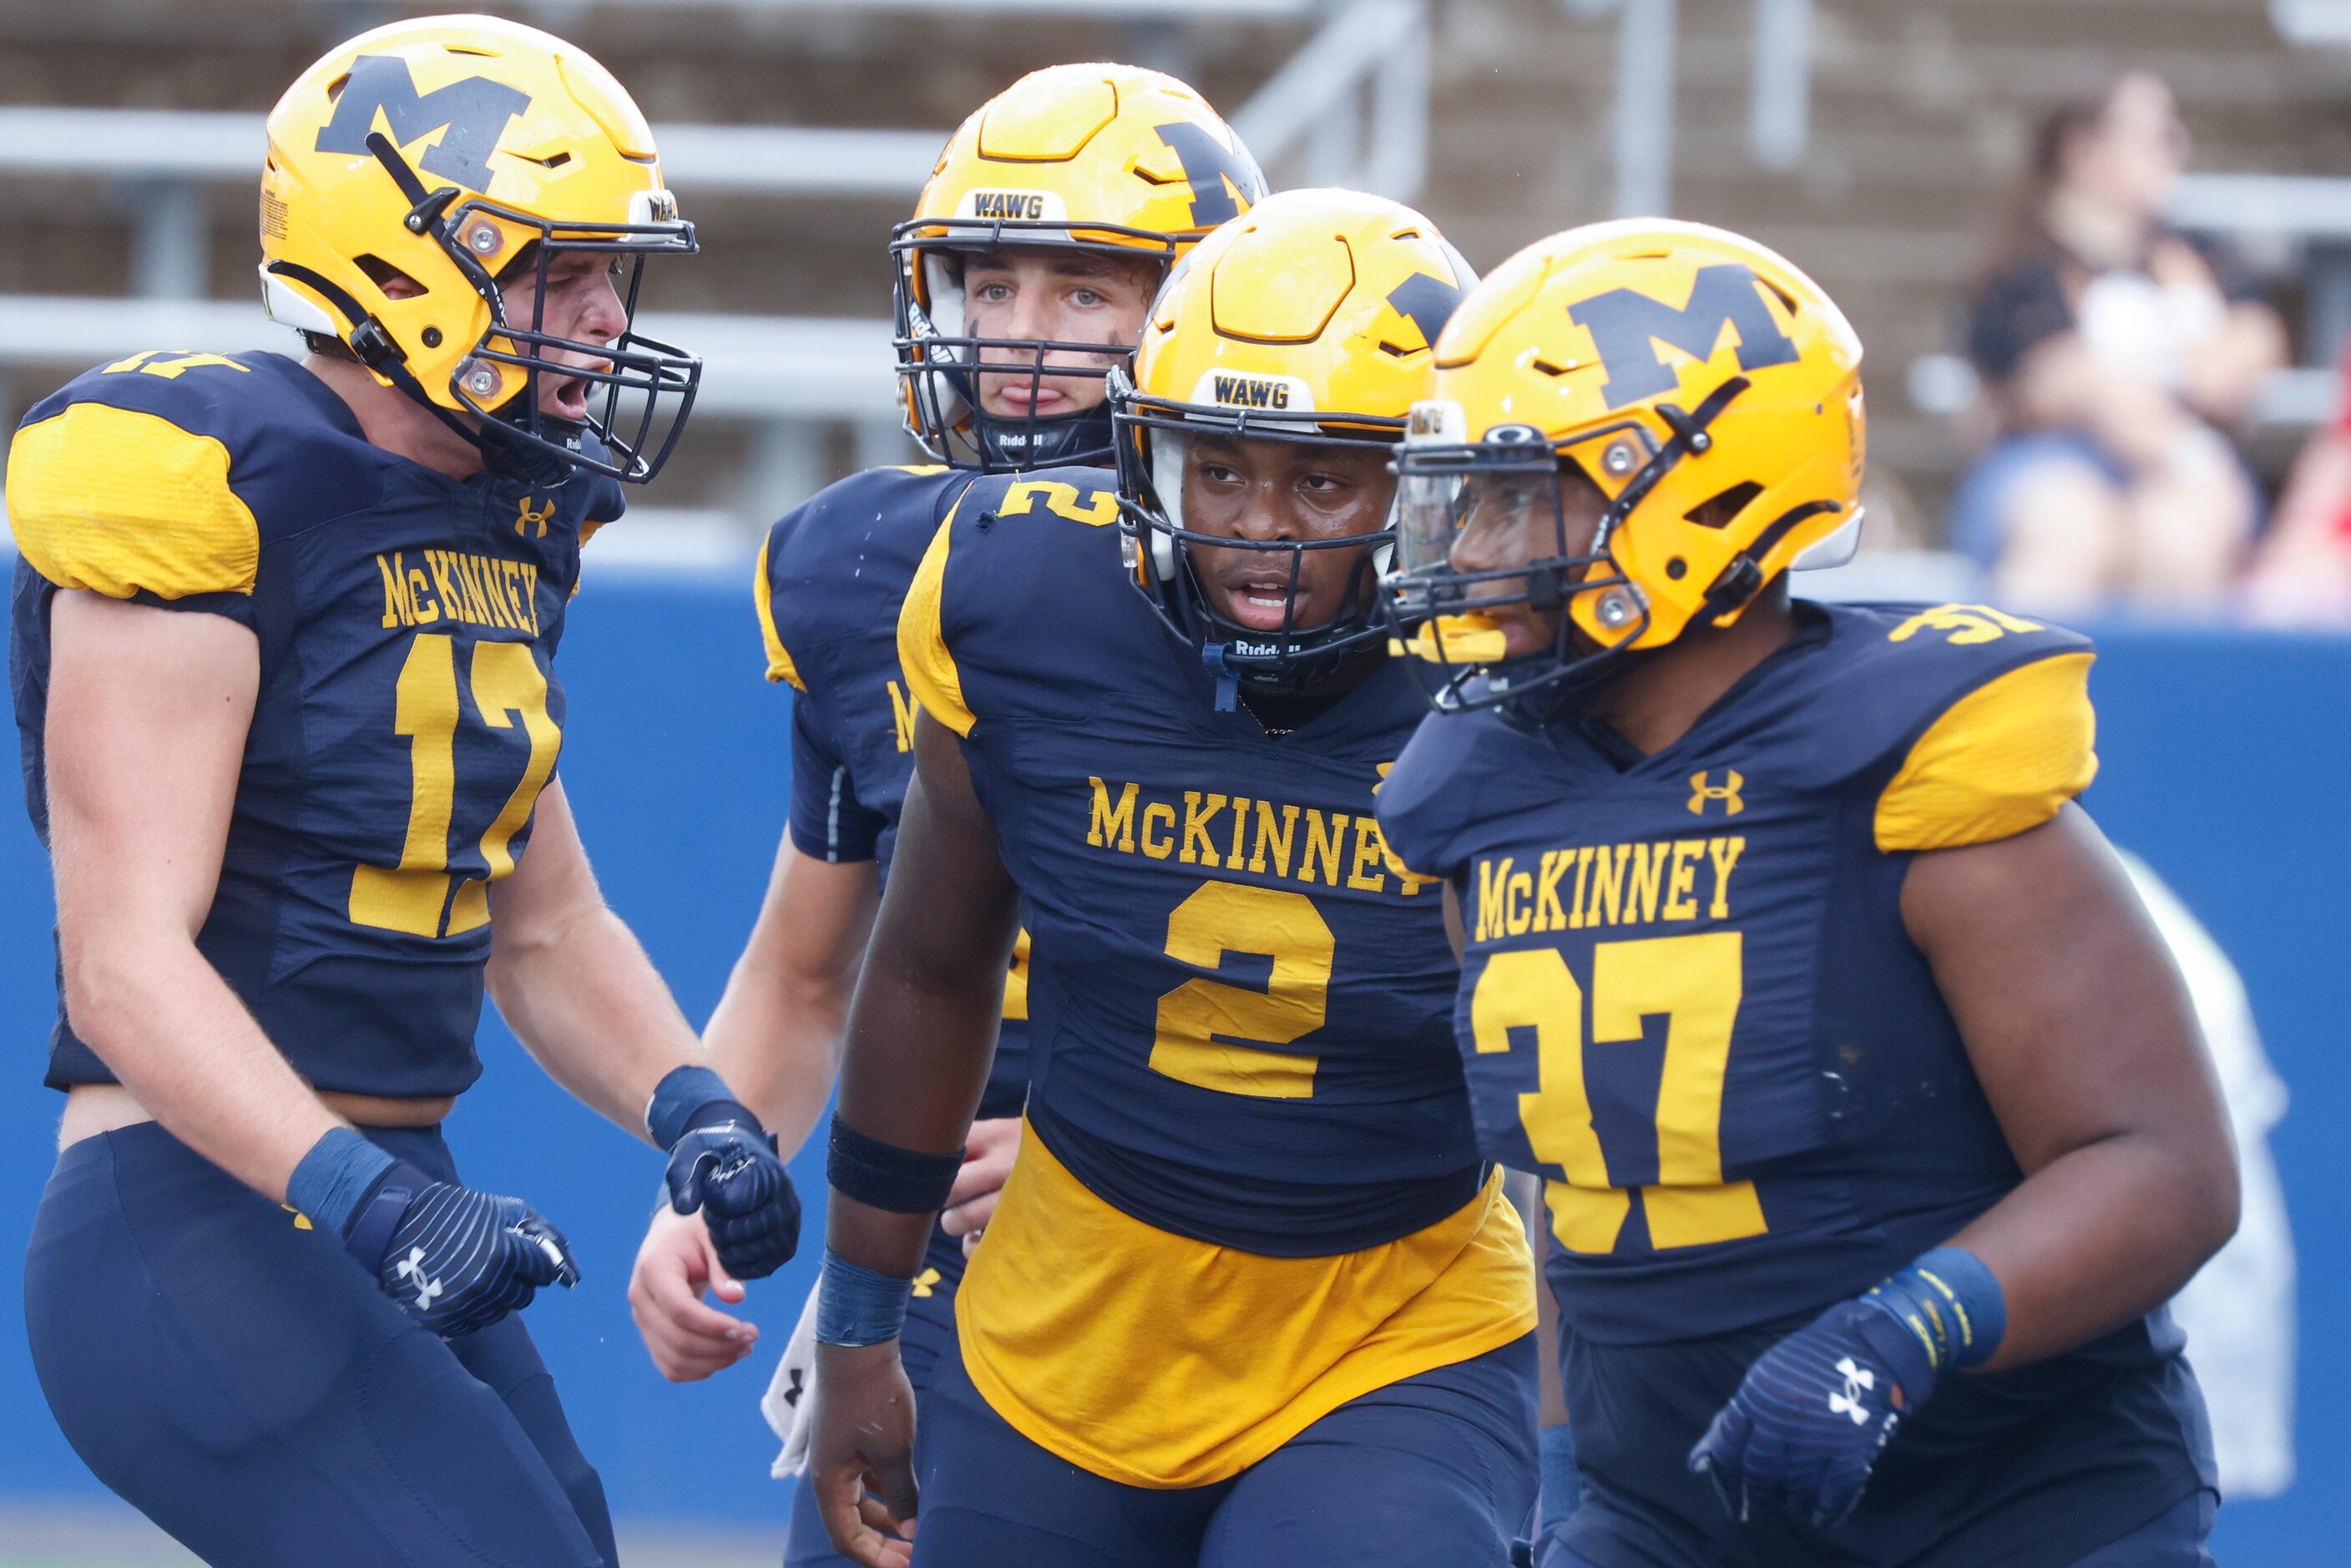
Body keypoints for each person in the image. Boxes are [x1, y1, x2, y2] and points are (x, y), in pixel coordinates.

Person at [10, 18, 800, 1567]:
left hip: (382, 1191)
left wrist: (697, 1112)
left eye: (605, 277)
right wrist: (369, 1205)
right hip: (192, 1210)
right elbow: (119, 964)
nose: (594, 318)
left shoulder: (499, 525)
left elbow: (547, 926)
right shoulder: (219, 486)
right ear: (394, 261)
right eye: (548, 271)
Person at [1375, 218, 2237, 1567]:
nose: (1474, 548)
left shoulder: (1908, 760)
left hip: (2013, 1501)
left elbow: (2164, 1167)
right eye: (1464, 497)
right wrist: (1554, 1459)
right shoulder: (1476, 792)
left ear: (1692, 499)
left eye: (1518, 496)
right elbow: (1574, 1197)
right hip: (1670, 1508)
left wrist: (1900, 1331)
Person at [804, 189, 1539, 1568]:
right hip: (1069, 1316)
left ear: (1422, 476)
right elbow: (928, 960)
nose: (1257, 528)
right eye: (1217, 470)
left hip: (1392, 1320)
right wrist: (856, 1325)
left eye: (1321, 478)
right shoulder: (1017, 589)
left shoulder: (1512, 662)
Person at [617, 63, 1265, 1568]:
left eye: (1089, 290)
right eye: (989, 281)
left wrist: (1117, 1145)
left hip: (1247, 1228)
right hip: (943, 1251)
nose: (1024, 336)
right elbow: (805, 967)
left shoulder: (1286, 579)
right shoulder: (865, 563)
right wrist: (712, 1171)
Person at [1951, 69, 2284, 615]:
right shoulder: (2022, 266)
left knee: (2185, 534)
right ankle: (2022, 695)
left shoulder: (2197, 250)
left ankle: (2167, 700)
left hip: (2179, 469)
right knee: (2071, 526)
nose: (2179, 150)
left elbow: (2254, 346)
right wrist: (2183, 422)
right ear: (2085, 151)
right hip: (2053, 462)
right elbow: (2073, 389)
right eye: (2159, 137)